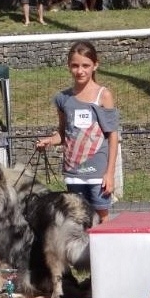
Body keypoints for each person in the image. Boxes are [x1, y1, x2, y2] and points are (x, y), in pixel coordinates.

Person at [36, 40, 119, 224]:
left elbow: (113, 135)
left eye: (85, 65)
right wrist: (49, 141)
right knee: (77, 218)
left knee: (101, 217)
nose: (80, 70)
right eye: (75, 65)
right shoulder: (62, 99)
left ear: (95, 65)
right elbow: (63, 134)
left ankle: (103, 253)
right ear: (69, 66)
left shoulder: (103, 95)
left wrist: (110, 173)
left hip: (98, 172)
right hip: (74, 172)